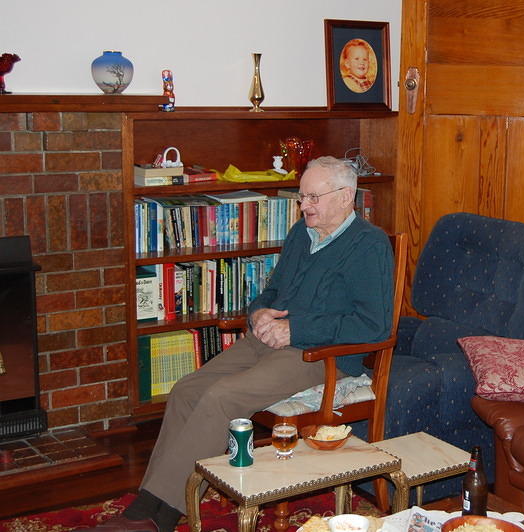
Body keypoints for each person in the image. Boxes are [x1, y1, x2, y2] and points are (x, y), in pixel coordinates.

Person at [90, 156, 394, 532]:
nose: (303, 206)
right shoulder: (303, 233)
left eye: (312, 198)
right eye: (302, 197)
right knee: (187, 389)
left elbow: (374, 326)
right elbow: (273, 290)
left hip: (319, 354)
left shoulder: (369, 245)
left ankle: (159, 517)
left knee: (222, 396)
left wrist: (295, 329)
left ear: (346, 197)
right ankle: (148, 502)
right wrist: (259, 314)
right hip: (271, 339)